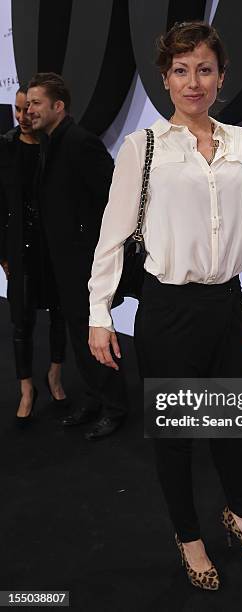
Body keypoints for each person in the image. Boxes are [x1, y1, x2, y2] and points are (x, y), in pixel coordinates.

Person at [88, 21, 242, 589]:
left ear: (221, 76)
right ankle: (189, 537)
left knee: (229, 427)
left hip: (226, 306)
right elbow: (113, 236)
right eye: (180, 70)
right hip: (168, 311)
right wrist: (99, 313)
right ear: (165, 79)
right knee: (176, 436)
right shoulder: (142, 147)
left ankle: (241, 516)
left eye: (204, 69)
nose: (193, 81)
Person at [26, 73, 128, 440]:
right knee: (79, 333)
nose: (29, 110)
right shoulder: (48, 143)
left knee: (95, 332)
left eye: (37, 103)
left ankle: (115, 405)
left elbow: (114, 200)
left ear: (59, 106)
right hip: (62, 261)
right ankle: (96, 397)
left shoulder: (81, 143)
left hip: (86, 262)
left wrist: (94, 247)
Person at [0, 85, 67, 421]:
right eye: (17, 109)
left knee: (60, 314)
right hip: (18, 247)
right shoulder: (5, 148)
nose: (23, 116)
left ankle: (54, 374)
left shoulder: (55, 147)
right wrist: (3, 253)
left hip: (53, 246)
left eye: (29, 109)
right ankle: (26, 387)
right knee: (20, 321)